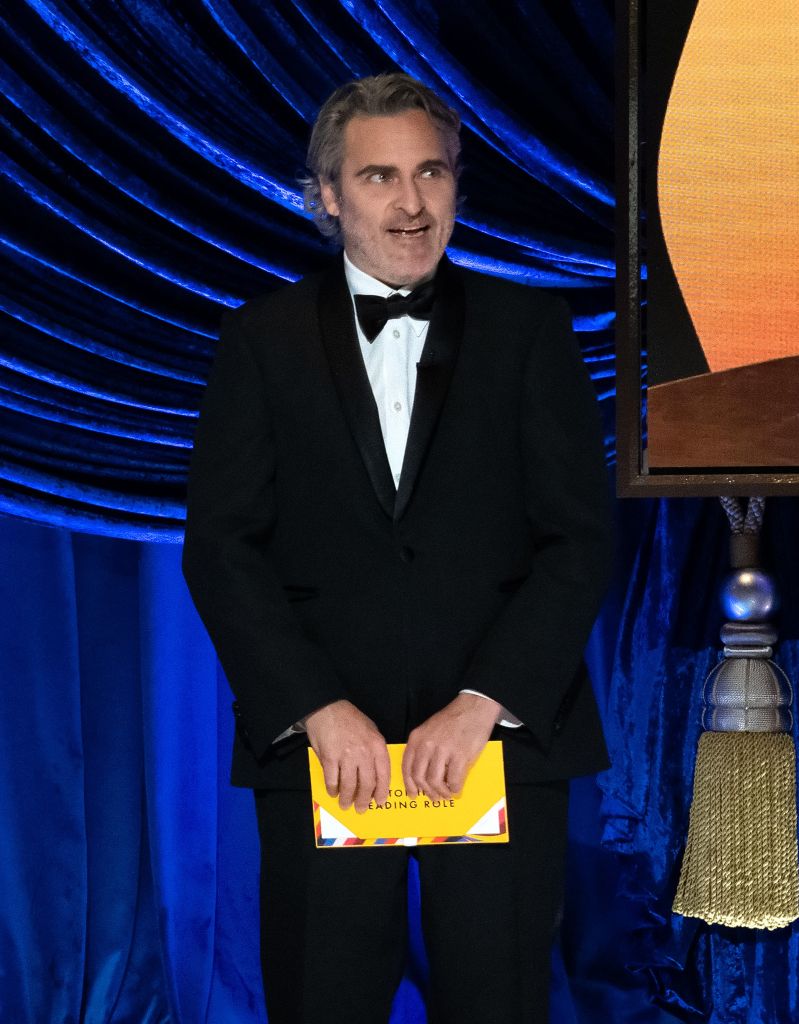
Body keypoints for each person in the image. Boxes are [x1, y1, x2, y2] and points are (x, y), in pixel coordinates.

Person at [183, 72, 612, 1024]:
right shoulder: (258, 341)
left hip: (494, 745)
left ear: (458, 184)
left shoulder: (531, 332)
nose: (411, 204)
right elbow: (221, 548)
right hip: (325, 756)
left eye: (432, 173)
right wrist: (315, 708)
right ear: (328, 195)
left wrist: (479, 704)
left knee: (499, 1002)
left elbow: (578, 541)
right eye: (379, 177)